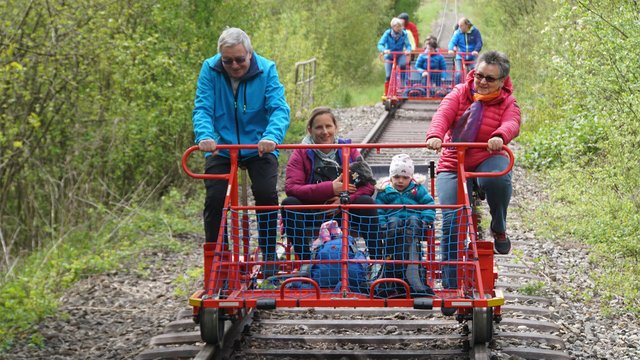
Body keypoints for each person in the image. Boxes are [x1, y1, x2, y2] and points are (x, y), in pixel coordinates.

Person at [192, 27, 290, 263]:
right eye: (228, 61)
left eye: (239, 60)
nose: (234, 66)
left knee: (266, 194)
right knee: (215, 200)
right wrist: (205, 136)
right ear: (220, 58)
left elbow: (279, 108)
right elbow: (203, 108)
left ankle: (269, 258)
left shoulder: (266, 69)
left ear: (249, 53)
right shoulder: (210, 69)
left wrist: (271, 137)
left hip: (259, 144)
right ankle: (219, 262)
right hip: (222, 146)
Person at [425, 51, 520, 288]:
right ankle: (450, 285)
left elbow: (512, 122)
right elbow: (443, 114)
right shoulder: (460, 93)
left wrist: (500, 135)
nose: (483, 82)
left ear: (502, 82)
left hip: (488, 155)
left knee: (497, 180)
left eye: (490, 78)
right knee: (451, 218)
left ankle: (498, 226)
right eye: (479, 76)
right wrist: (436, 135)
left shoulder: (507, 101)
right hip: (454, 160)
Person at [282, 107, 382, 261]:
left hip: (344, 210)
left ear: (335, 127)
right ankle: (306, 261)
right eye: (319, 127)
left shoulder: (348, 149)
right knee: (289, 204)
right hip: (314, 212)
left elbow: (368, 184)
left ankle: (378, 260)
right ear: (310, 130)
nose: (324, 132)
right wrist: (330, 188)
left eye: (328, 126)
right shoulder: (301, 153)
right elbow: (292, 188)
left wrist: (344, 199)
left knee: (366, 202)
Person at [375, 154, 436, 231]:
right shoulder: (385, 191)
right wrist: (382, 222)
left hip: (415, 221)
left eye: (405, 178)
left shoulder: (417, 189)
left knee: (414, 220)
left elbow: (428, 204)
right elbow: (378, 209)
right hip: (391, 222)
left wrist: (426, 220)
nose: (401, 181)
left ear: (411, 178)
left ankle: (412, 242)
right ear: (391, 178)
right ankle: (391, 242)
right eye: (396, 177)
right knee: (394, 222)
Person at [377, 17, 413, 96]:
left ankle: (403, 87)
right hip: (390, 55)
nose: (399, 28)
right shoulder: (387, 33)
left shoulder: (404, 34)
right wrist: (384, 50)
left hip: (399, 54)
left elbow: (408, 45)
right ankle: (387, 92)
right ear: (393, 27)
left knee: (403, 65)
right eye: (397, 26)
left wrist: (408, 50)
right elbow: (380, 44)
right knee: (388, 75)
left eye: (400, 26)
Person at [448, 17, 483, 83]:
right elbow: (452, 42)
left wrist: (476, 50)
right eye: (459, 25)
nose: (459, 27)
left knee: (476, 72)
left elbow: (479, 42)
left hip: (472, 55)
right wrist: (450, 49)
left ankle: (474, 88)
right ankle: (458, 88)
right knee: (458, 74)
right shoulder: (458, 32)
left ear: (467, 25)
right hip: (460, 56)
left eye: (461, 26)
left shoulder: (475, 31)